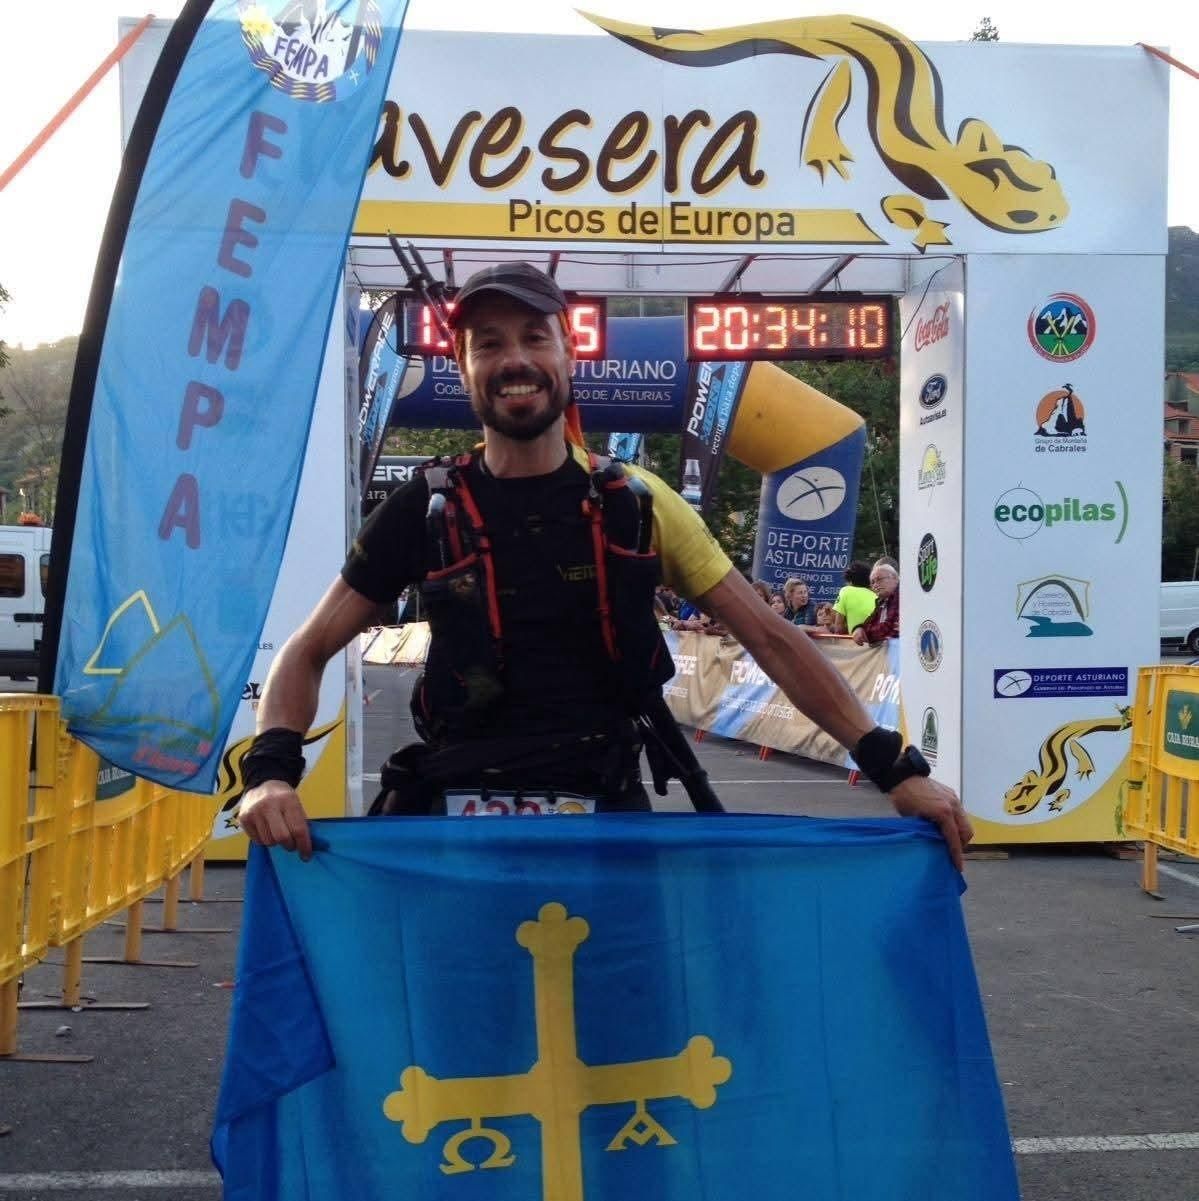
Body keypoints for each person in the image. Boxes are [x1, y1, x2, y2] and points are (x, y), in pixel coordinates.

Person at [235, 262, 970, 864]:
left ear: (567, 353)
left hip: (608, 821)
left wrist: (892, 768)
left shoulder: (639, 502)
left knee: (622, 1036)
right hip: (454, 826)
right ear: (462, 368)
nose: (514, 359)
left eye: (533, 337)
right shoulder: (422, 508)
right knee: (459, 1038)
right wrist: (270, 774)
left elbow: (771, 637)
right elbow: (306, 651)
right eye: (488, 344)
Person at [854, 562, 900, 646]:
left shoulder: (901, 596)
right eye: (872, 582)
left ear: (895, 578)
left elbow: (888, 630)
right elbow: (869, 623)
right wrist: (859, 628)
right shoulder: (881, 601)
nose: (875, 585)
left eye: (879, 579)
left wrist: (865, 633)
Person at [830, 561, 877, 636]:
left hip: (856, 643)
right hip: (877, 642)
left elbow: (838, 628)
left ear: (850, 580)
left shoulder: (845, 590)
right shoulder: (876, 595)